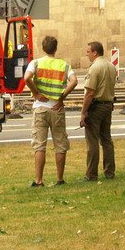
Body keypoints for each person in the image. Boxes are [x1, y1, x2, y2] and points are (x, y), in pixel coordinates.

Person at [23, 35, 77, 187]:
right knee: (60, 144)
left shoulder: (36, 63)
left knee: (40, 145)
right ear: (56, 49)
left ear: (43, 48)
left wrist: (36, 93)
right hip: (57, 108)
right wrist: (62, 97)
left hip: (40, 107)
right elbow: (74, 81)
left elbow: (27, 78)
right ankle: (60, 179)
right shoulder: (64, 65)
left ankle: (39, 180)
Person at [79, 41, 117, 180]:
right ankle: (109, 171)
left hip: (96, 107)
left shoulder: (95, 68)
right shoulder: (111, 66)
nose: (86, 54)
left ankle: (91, 174)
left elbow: (89, 92)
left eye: (88, 51)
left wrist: (83, 112)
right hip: (108, 105)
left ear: (95, 52)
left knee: (92, 141)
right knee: (107, 140)